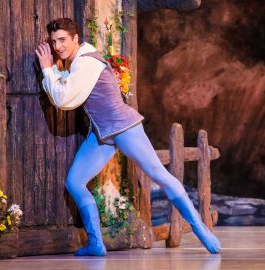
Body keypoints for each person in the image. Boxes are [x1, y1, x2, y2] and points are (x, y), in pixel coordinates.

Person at [35, 18, 220, 256]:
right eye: (54, 42)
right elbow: (67, 90)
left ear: (75, 39)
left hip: (123, 128)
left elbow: (63, 99)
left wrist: (47, 69)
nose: (58, 46)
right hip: (102, 134)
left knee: (158, 174)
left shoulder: (86, 63)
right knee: (74, 182)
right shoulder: (78, 61)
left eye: (62, 40)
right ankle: (95, 243)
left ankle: (201, 229)